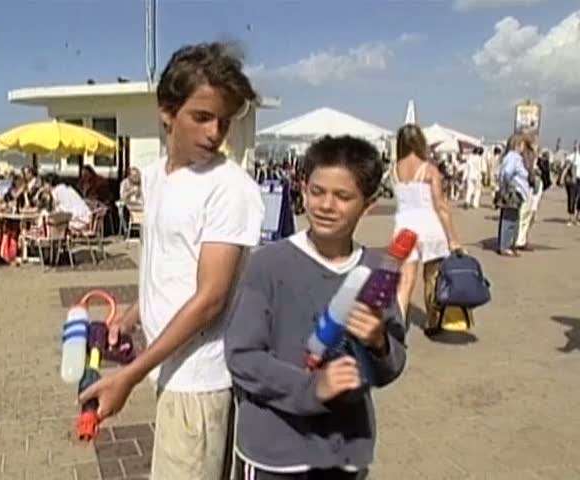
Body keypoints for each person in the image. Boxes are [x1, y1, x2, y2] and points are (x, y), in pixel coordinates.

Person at [78, 42, 264, 480]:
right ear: (166, 112)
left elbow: (210, 299)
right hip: (168, 370)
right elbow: (167, 264)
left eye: (224, 120)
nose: (215, 133)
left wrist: (129, 377)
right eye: (202, 117)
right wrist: (132, 315)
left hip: (199, 382)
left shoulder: (229, 188)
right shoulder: (157, 175)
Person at [225, 135, 405, 480]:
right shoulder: (268, 264)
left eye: (343, 196)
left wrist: (379, 343)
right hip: (274, 454)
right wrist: (310, 388)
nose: (326, 205)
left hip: (344, 452)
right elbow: (242, 356)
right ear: (303, 189)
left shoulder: (375, 271)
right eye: (317, 191)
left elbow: (390, 367)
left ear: (367, 205)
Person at [392, 125, 462, 335]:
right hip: (429, 226)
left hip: (403, 226)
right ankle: (432, 321)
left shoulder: (394, 169)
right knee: (432, 277)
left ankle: (399, 321)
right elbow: (441, 206)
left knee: (405, 280)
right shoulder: (429, 169)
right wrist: (453, 238)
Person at [496, 134, 532, 256]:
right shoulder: (514, 157)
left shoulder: (508, 157)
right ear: (517, 145)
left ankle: (505, 244)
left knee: (508, 218)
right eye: (522, 145)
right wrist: (509, 185)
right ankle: (505, 246)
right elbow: (507, 172)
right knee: (510, 219)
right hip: (514, 192)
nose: (523, 148)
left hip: (512, 191)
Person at [558, 145, 580, 226]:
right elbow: (566, 168)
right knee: (572, 198)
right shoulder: (573, 157)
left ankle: (577, 218)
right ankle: (570, 218)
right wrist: (561, 178)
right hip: (573, 180)